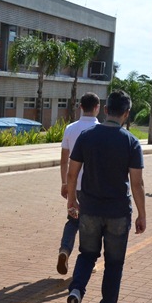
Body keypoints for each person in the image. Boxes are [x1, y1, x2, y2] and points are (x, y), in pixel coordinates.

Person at [63, 90, 146, 303]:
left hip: (89, 208)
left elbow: (72, 173)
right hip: (118, 211)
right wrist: (142, 214)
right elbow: (137, 183)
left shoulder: (86, 136)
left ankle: (76, 291)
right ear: (127, 114)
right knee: (114, 263)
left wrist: (71, 200)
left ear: (106, 110)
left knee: (87, 255)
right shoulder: (131, 141)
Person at [57, 92, 100, 274]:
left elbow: (64, 160)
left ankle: (64, 250)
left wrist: (65, 183)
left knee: (73, 221)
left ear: (81, 107)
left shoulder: (70, 128)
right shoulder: (101, 130)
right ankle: (89, 260)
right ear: (97, 108)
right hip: (94, 187)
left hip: (74, 184)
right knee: (92, 224)